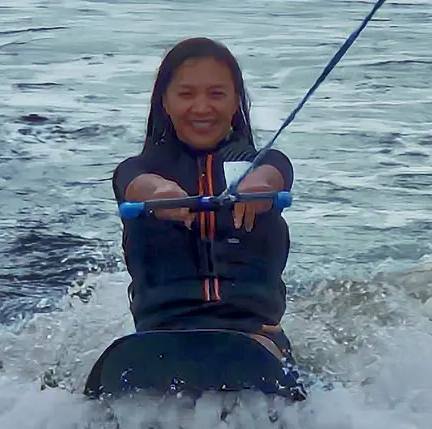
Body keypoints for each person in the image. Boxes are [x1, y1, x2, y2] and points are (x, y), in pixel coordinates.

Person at [111, 37, 298, 365]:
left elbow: (274, 174)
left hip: (256, 339)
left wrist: (257, 187)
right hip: (160, 339)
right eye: (186, 94)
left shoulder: (267, 164)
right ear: (165, 102)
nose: (201, 108)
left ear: (236, 100)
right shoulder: (137, 170)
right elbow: (134, 184)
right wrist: (160, 194)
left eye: (216, 94)